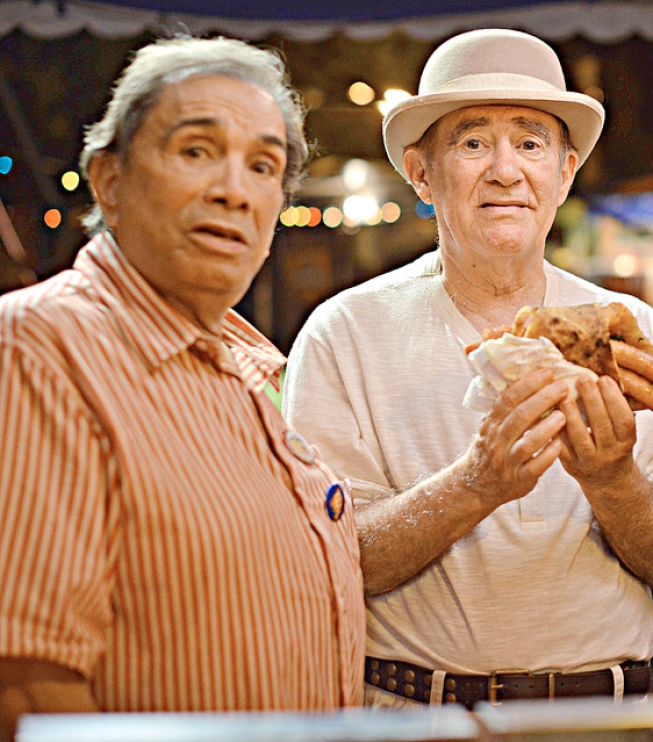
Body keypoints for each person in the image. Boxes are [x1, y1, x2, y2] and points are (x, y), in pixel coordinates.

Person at [0, 35, 366, 740]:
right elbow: (24, 685)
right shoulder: (38, 347)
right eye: (197, 150)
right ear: (108, 179)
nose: (234, 189)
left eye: (264, 165)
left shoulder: (247, 364)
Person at [283, 28, 653, 710]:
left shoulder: (635, 337)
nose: (506, 171)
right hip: (412, 715)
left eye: (531, 143)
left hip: (618, 712)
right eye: (473, 142)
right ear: (422, 173)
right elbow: (320, 558)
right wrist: (475, 485)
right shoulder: (345, 333)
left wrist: (612, 480)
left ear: (564, 171)